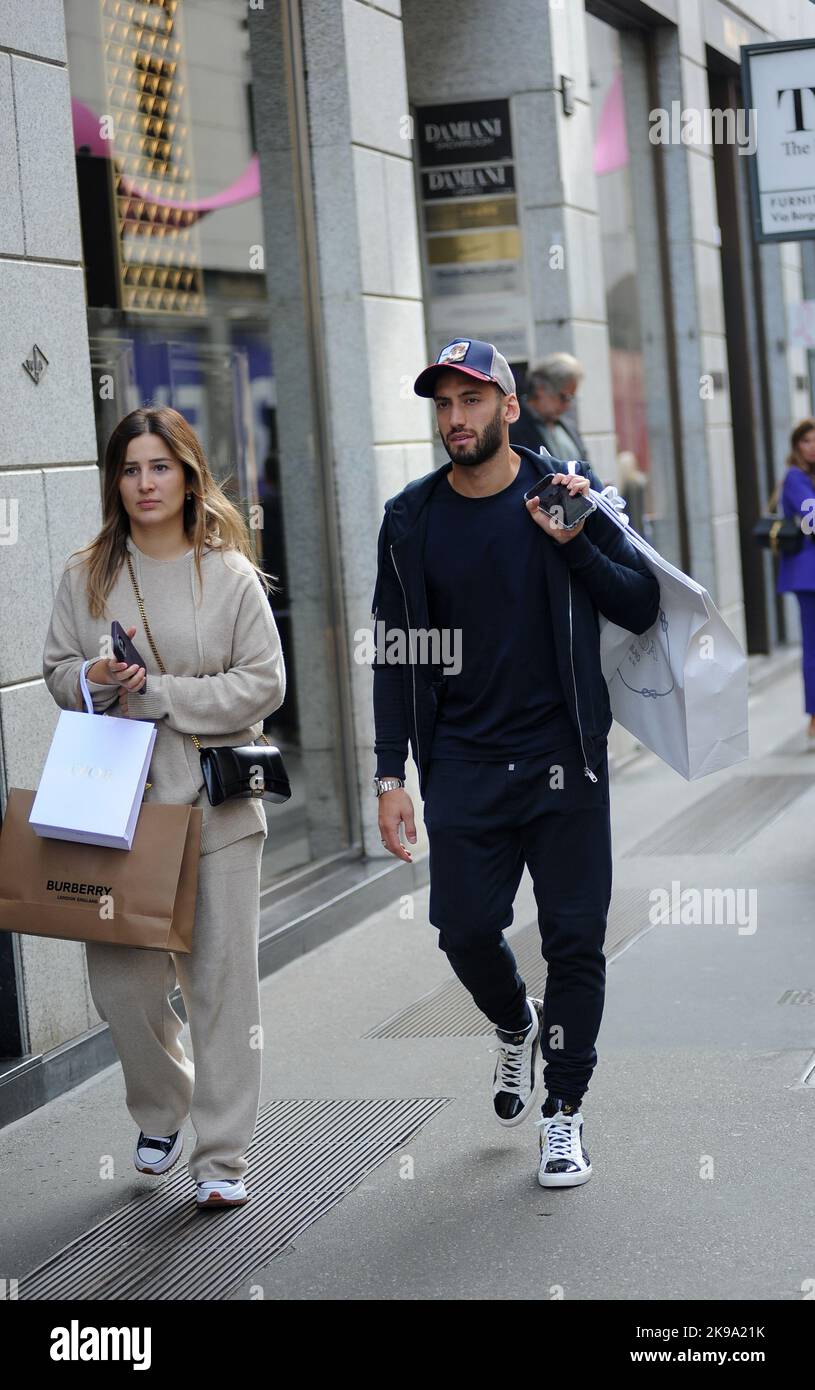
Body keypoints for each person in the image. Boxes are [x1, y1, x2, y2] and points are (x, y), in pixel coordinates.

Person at [371, 338, 659, 1188]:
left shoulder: (563, 493)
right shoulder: (411, 519)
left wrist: (572, 540)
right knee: (462, 929)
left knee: (575, 941)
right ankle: (512, 1022)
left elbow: (639, 606)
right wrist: (391, 776)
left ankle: (563, 1112)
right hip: (460, 760)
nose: (454, 419)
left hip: (564, 759)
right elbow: (396, 651)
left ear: (507, 407)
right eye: (442, 405)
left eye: (470, 401)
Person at [42, 405, 286, 1209]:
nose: (145, 483)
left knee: (220, 988)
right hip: (118, 812)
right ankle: (162, 1106)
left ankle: (221, 1158)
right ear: (115, 481)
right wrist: (92, 683)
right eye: (130, 469)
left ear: (187, 477)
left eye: (159, 467)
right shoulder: (86, 576)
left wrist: (159, 697)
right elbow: (56, 670)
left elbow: (264, 684)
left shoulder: (229, 575)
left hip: (215, 809)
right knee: (124, 985)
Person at [776, 417, 815, 744]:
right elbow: (811, 518)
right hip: (808, 573)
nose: (812, 447)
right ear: (796, 446)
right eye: (806, 441)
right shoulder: (794, 477)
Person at [509, 351, 590, 463]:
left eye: (571, 398)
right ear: (541, 389)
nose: (568, 406)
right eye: (564, 397)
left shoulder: (568, 426)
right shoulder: (513, 428)